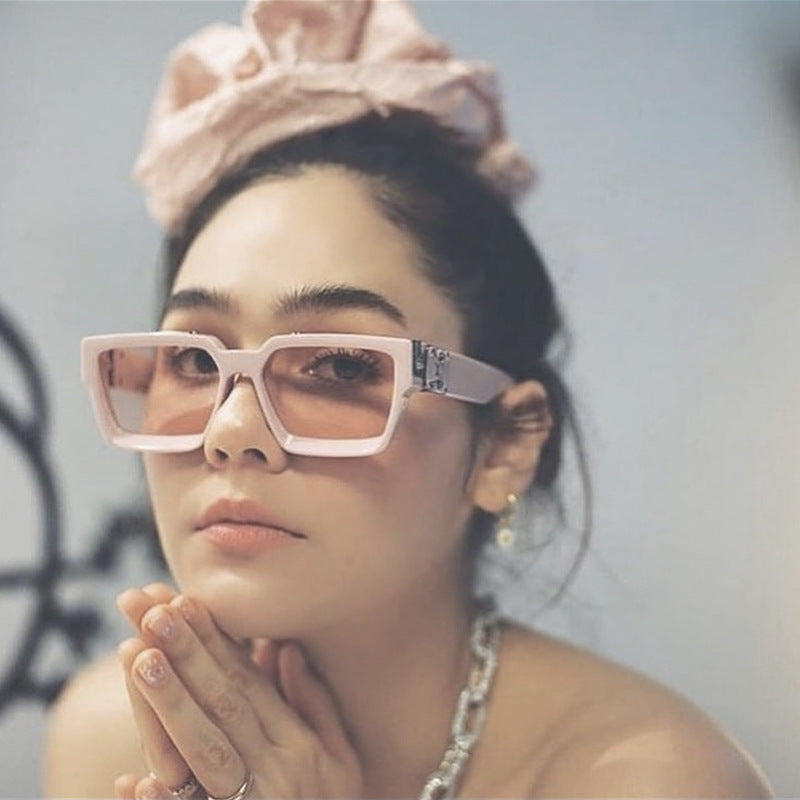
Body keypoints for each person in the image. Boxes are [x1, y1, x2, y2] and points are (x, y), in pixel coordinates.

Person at [45, 2, 772, 798]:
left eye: (341, 366)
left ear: (505, 445)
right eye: (193, 357)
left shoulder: (649, 777)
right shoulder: (107, 735)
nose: (232, 429)